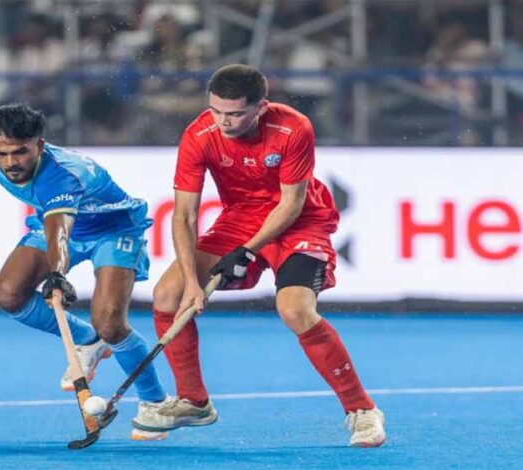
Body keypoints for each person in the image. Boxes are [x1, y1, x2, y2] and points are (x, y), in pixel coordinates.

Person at [133, 64, 386, 448]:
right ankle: (194, 402)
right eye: (216, 110)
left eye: (234, 113)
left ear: (261, 107)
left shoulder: (293, 128)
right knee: (168, 294)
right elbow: (184, 216)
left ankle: (362, 410)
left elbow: (291, 204)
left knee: (295, 309)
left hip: (300, 222)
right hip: (240, 219)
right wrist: (191, 283)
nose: (223, 121)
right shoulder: (199, 135)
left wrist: (247, 251)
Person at [0, 104, 170, 441]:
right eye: (2, 153)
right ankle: (89, 340)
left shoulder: (61, 176)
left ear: (39, 145)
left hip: (113, 230)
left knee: (110, 323)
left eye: (20, 153)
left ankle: (156, 403)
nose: (10, 163)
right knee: (8, 294)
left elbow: (59, 233)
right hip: (59, 226)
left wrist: (56, 275)